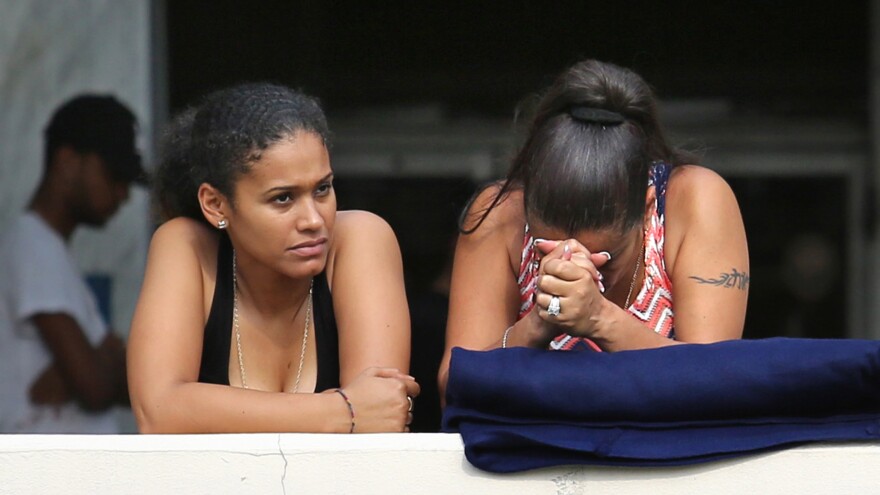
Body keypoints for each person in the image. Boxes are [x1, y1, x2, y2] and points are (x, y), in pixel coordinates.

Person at [439, 59, 749, 395]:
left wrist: (601, 319)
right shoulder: (500, 213)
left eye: (605, 257)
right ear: (527, 207)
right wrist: (535, 326)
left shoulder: (693, 200)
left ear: (645, 208)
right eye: (545, 248)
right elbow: (452, 393)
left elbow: (717, 384)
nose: (574, 268)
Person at [127, 83, 419, 433]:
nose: (313, 220)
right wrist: (343, 410)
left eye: (322, 189)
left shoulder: (360, 239)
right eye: (283, 198)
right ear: (215, 204)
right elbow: (158, 412)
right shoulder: (185, 247)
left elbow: (380, 420)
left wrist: (354, 412)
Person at [0, 94, 142, 432]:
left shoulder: (49, 248)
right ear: (66, 161)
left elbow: (115, 384)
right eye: (113, 175)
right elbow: (94, 387)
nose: (123, 194)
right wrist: (106, 358)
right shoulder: (33, 244)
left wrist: (99, 364)